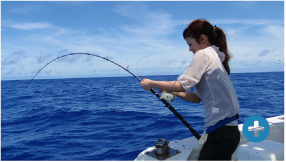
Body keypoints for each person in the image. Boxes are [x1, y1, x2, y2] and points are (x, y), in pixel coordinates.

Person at [140, 19, 240, 161]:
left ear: (203, 38)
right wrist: (173, 92)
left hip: (221, 133)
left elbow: (181, 85)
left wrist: (151, 83)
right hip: (226, 132)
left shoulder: (204, 54)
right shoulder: (214, 56)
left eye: (190, 44)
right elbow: (196, 98)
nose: (190, 49)